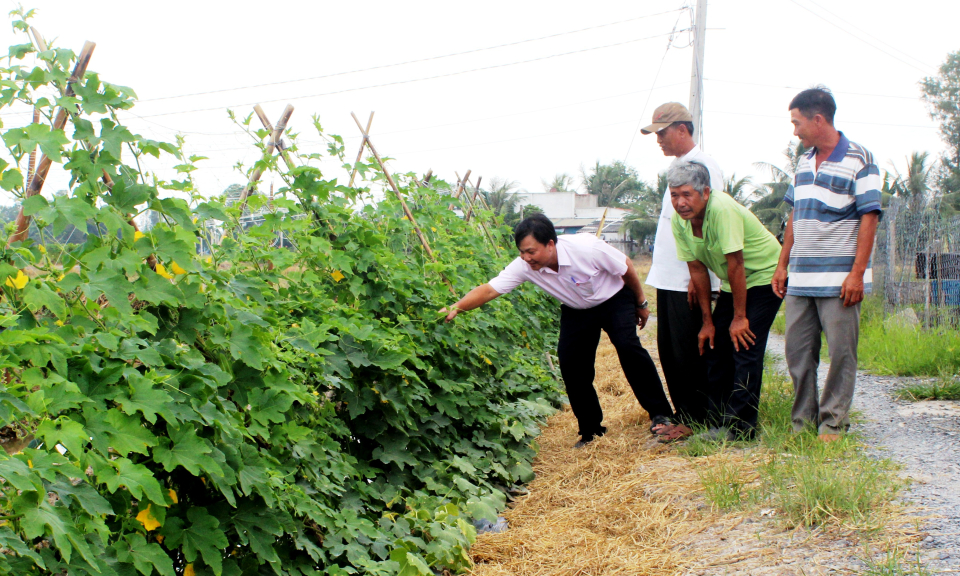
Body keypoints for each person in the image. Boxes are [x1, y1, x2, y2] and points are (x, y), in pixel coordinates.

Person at [441, 214, 675, 448]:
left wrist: (641, 303)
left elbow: (626, 267)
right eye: (522, 252)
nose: (526, 257)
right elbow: (490, 290)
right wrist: (456, 307)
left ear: (551, 244)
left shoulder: (586, 249)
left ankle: (660, 414)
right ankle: (591, 430)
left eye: (531, 251)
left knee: (628, 347)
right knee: (571, 364)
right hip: (576, 309)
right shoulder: (525, 266)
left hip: (614, 298)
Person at [772, 87, 882, 442]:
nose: (795, 131)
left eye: (797, 122)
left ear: (818, 119)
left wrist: (856, 274)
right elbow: (795, 216)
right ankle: (802, 423)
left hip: (839, 280)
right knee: (798, 355)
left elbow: (869, 218)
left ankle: (833, 423)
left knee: (840, 353)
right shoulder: (804, 161)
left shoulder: (860, 158)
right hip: (801, 279)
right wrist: (781, 265)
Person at [669, 161, 783, 441]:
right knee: (715, 344)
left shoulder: (722, 210)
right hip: (736, 282)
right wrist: (708, 322)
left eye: (687, 194)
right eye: (674, 195)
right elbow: (697, 270)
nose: (680, 203)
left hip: (764, 276)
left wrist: (740, 317)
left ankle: (741, 429)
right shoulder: (680, 222)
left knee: (745, 344)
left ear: (705, 192)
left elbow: (736, 263)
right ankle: (718, 422)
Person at [641, 102, 723, 439]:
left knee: (689, 351)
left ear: (682, 130)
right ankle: (686, 413)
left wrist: (698, 276)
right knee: (673, 351)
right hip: (672, 276)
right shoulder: (681, 166)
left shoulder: (703, 167)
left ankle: (697, 420)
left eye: (662, 132)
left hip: (688, 277)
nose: (658, 139)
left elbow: (708, 222)